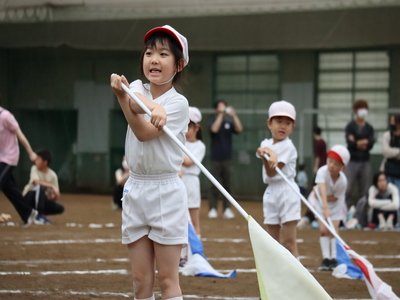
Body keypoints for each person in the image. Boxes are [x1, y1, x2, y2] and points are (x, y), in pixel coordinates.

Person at [110, 24, 189, 300]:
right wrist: (138, 102)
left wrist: (126, 99)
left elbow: (143, 133)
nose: (154, 59)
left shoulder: (179, 105)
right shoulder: (135, 87)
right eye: (149, 53)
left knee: (168, 281)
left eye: (163, 54)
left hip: (166, 191)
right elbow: (135, 103)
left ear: (178, 65)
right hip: (136, 188)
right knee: (140, 280)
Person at [256, 100, 300, 257]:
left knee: (289, 242)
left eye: (287, 123)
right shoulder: (265, 143)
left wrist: (269, 156)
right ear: (269, 123)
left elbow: (272, 172)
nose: (283, 126)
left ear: (292, 127)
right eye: (279, 121)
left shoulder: (289, 146)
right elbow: (262, 153)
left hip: (287, 192)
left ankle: (296, 279)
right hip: (271, 193)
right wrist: (266, 155)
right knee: (272, 243)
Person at [0, 105, 48, 225]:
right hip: (0, 158)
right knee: (9, 189)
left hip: (9, 158)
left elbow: (20, 134)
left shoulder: (5, 116)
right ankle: (29, 214)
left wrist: (31, 153)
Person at [307, 145, 349, 271]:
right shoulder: (321, 172)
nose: (331, 165)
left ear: (342, 167)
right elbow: (322, 191)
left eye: (336, 164)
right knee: (324, 230)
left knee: (334, 231)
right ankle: (326, 258)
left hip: (336, 206)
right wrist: (325, 207)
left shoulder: (343, 181)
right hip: (320, 203)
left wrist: (329, 206)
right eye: (330, 161)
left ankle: (334, 258)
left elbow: (336, 198)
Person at [208, 99, 243, 219]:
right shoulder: (213, 119)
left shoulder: (229, 121)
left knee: (227, 185)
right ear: (216, 109)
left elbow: (239, 129)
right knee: (214, 184)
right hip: (215, 159)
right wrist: (221, 114)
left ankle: (227, 209)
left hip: (227, 159)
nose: (223, 108)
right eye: (220, 106)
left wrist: (234, 115)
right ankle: (212, 209)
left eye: (224, 106)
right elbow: (214, 129)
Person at [344, 99, 375, 209]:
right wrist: (361, 142)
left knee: (365, 189)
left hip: (365, 161)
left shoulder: (369, 128)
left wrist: (359, 142)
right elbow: (350, 142)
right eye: (361, 109)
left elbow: (371, 142)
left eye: (365, 109)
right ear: (355, 111)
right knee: (347, 188)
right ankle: (345, 212)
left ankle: (362, 213)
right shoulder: (350, 126)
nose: (363, 111)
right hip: (352, 161)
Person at [180, 106, 206, 237]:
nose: (185, 129)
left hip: (191, 183)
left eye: (188, 125)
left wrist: (173, 152)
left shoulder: (200, 146)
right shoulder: (179, 142)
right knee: (179, 217)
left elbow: (189, 162)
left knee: (194, 219)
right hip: (177, 182)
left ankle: (197, 251)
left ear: (196, 128)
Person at [22, 149, 64, 222]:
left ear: (45, 162)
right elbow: (36, 182)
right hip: (28, 199)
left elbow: (54, 196)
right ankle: (39, 216)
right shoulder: (34, 168)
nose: (36, 161)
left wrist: (54, 196)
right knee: (40, 188)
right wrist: (51, 186)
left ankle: (35, 214)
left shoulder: (53, 175)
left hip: (40, 201)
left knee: (60, 208)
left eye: (38, 159)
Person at [382, 114, 400, 227]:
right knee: (388, 198)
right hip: (389, 172)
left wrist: (393, 152)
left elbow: (390, 152)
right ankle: (387, 222)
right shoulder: (387, 135)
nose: (392, 124)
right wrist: (398, 152)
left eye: (394, 121)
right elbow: (385, 151)